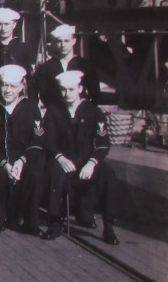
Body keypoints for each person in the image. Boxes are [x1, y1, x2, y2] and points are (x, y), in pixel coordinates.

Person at [42, 70, 119, 244]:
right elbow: (49, 140)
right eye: (63, 90)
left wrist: (92, 163)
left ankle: (108, 226)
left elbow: (103, 143)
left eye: (71, 89)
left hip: (86, 159)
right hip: (63, 158)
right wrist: (60, 158)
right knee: (53, 172)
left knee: (108, 175)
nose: (66, 94)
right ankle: (54, 221)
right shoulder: (54, 111)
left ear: (80, 88)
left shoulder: (93, 111)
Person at [0, 64, 45, 236]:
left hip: (24, 156)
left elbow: (37, 139)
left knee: (35, 174)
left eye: (13, 86)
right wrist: (5, 164)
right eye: (4, 85)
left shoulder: (31, 107)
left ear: (22, 86)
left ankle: (32, 222)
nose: (8, 90)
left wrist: (22, 161)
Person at [33, 24, 101, 110]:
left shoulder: (85, 66)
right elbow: (43, 93)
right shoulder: (46, 68)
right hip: (56, 113)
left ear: (74, 41)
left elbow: (95, 93)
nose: (63, 45)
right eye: (59, 41)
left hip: (81, 113)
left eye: (66, 41)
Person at [0, 8, 36, 98]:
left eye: (6, 24)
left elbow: (30, 79)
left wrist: (33, 101)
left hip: (18, 98)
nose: (3, 28)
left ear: (14, 24)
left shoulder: (23, 48)